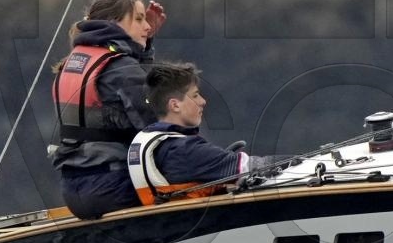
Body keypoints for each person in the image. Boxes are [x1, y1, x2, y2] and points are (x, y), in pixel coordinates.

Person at [71, 61, 265, 218]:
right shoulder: (183, 150)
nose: (203, 101)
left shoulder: (150, 140)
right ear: (175, 105)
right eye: (195, 95)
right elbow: (257, 168)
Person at [51, 0, 165, 218]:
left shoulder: (73, 62)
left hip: (73, 190)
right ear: (114, 23)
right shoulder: (120, 67)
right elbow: (156, 128)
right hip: (111, 186)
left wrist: (143, 47)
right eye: (139, 19)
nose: (147, 26)